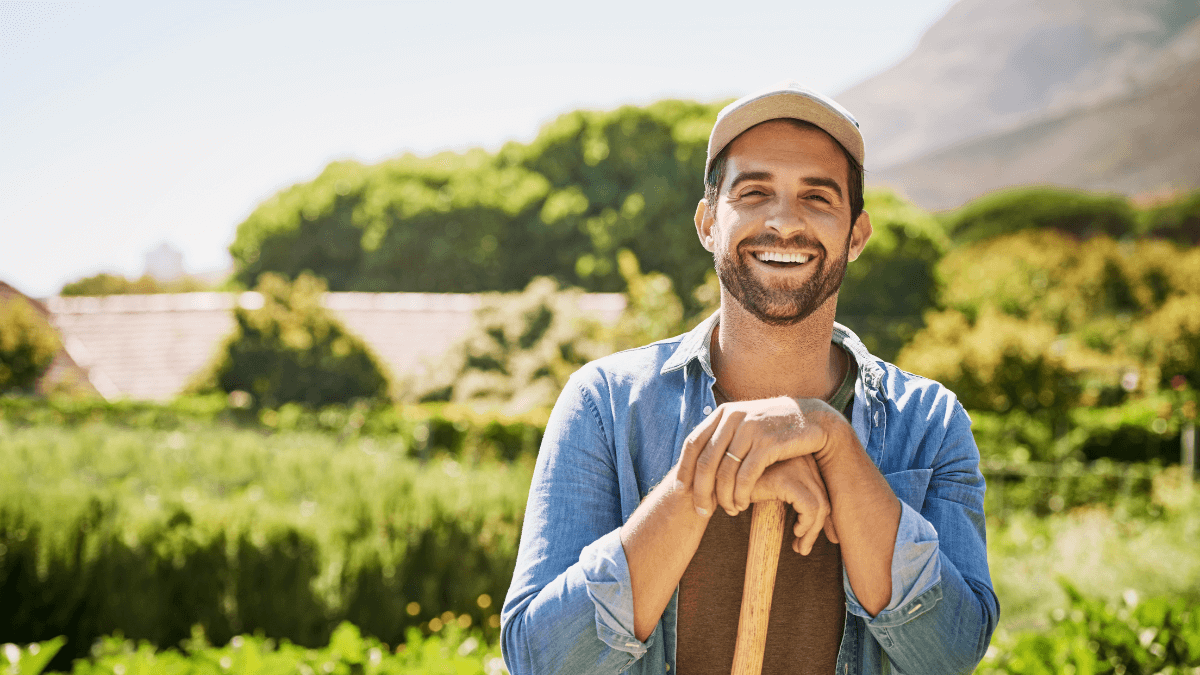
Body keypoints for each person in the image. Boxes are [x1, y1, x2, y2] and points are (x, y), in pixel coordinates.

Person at [500, 82, 999, 675]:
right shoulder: (605, 405)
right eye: (754, 191)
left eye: (817, 197)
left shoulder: (930, 423)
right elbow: (541, 660)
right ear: (709, 223)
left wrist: (829, 439)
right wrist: (699, 484)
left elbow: (951, 655)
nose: (784, 221)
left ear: (856, 235)